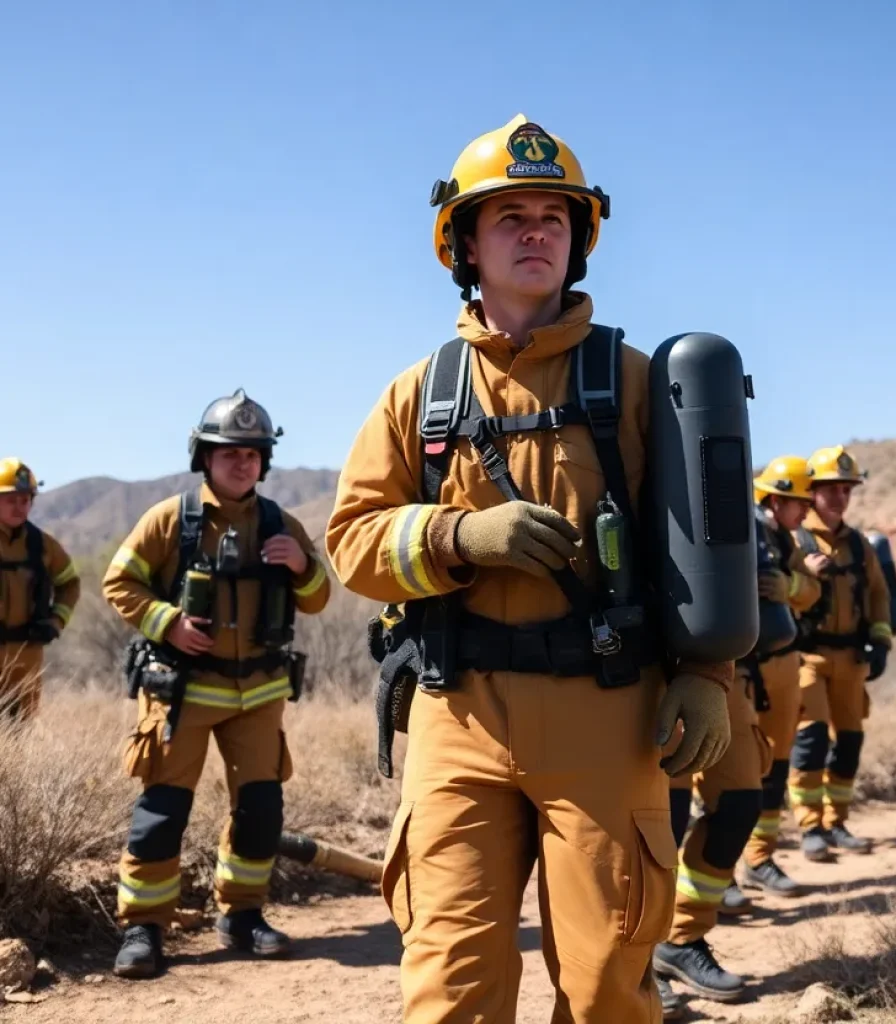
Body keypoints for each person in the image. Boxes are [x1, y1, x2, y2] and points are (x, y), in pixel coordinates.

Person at [326, 114, 734, 1022]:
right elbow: (351, 542)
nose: (536, 230)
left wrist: (707, 673)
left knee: (605, 990)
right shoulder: (418, 394)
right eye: (509, 215)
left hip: (607, 714)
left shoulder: (635, 383)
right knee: (451, 990)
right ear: (465, 243)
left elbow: (710, 546)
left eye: (554, 214)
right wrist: (456, 539)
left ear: (579, 239)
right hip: (455, 713)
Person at [103, 389, 331, 979]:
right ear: (204, 457)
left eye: (253, 455)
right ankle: (144, 927)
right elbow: (119, 583)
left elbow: (320, 598)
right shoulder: (170, 519)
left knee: (260, 810)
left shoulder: (282, 524)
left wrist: (303, 567)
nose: (242, 463)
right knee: (162, 811)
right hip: (182, 692)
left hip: (259, 696)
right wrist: (168, 623)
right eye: (229, 453)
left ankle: (243, 916)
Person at [653, 456, 821, 1009]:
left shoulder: (755, 528)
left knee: (741, 802)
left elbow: (804, 590)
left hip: (726, 680)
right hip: (647, 681)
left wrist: (788, 583)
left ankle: (683, 938)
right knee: (660, 825)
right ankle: (637, 961)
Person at [787, 445, 892, 860]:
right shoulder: (794, 538)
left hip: (851, 659)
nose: (839, 498)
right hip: (806, 658)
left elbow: (879, 595)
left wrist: (881, 639)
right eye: (831, 489)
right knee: (810, 740)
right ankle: (810, 827)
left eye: (846, 490)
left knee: (849, 741)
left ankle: (838, 821)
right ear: (811, 492)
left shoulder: (859, 545)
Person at [740, 455, 825, 893]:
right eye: (799, 503)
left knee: (775, 766)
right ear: (775, 499)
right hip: (739, 671)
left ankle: (760, 858)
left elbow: (812, 591)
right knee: (726, 772)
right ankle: (716, 865)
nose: (807, 512)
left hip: (784, 666)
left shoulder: (782, 539)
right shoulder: (740, 529)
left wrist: (788, 587)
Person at [0, 458, 80, 719]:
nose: (19, 507)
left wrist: (56, 622)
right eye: (11, 499)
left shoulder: (44, 546)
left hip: (27, 661)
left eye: (25, 500)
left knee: (19, 740)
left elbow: (70, 584)